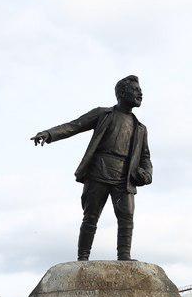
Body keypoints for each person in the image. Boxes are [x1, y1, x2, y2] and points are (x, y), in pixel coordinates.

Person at [31, 76, 153, 261]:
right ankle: (83, 258)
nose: (140, 93)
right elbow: (74, 126)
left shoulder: (140, 128)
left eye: (140, 90)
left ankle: (124, 256)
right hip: (99, 171)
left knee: (126, 217)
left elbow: (145, 157)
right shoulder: (103, 114)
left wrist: (147, 174)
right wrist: (48, 134)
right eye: (135, 90)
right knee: (90, 217)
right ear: (121, 93)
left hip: (125, 176)